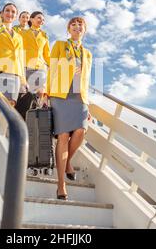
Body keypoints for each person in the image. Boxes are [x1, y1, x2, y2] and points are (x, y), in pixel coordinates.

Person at [45, 17, 92, 200]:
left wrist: (87, 103)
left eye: (80, 25)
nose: (77, 27)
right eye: (74, 24)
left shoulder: (87, 53)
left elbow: (87, 79)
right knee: (63, 136)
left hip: (79, 97)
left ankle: (67, 162)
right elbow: (52, 68)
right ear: (68, 29)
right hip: (60, 95)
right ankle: (61, 185)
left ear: (84, 30)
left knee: (80, 131)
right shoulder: (59, 45)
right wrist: (47, 93)